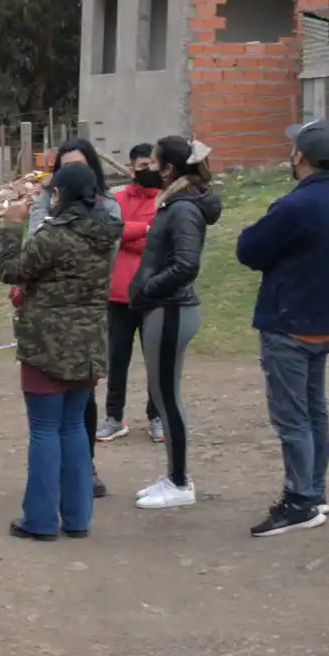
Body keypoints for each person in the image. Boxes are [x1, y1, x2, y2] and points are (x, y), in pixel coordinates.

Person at [237, 121, 329, 537]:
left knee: (292, 419)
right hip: (322, 322)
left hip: (289, 324)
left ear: (300, 157)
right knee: (314, 412)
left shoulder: (295, 206)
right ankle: (314, 492)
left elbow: (248, 249)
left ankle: (300, 499)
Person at [0, 163, 120, 541]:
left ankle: (41, 520)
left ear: (60, 195)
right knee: (73, 428)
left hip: (47, 344)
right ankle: (78, 517)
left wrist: (11, 226)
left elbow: (11, 271)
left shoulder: (54, 235)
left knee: (45, 429)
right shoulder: (106, 234)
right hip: (89, 342)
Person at [129, 136, 222, 510]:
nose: (146, 168)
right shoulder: (176, 201)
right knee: (165, 395)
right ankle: (173, 474)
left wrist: (149, 290)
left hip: (170, 310)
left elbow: (186, 264)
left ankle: (180, 481)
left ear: (167, 168)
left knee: (167, 397)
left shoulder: (182, 208)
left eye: (152, 162)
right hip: (164, 309)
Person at [27, 139, 123, 498]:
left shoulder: (108, 208)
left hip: (84, 313)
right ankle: (67, 486)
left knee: (67, 412)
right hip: (51, 318)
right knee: (57, 412)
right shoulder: (45, 207)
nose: (70, 173)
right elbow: (34, 246)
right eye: (64, 167)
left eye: (78, 165)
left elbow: (21, 262)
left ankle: (81, 473)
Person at [96, 144, 164, 444]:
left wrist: (132, 233)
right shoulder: (118, 197)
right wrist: (144, 228)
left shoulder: (167, 199)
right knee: (117, 359)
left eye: (150, 164)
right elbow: (110, 231)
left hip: (153, 293)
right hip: (119, 294)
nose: (143, 169)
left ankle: (157, 416)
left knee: (156, 360)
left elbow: (159, 240)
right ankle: (114, 417)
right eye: (139, 164)